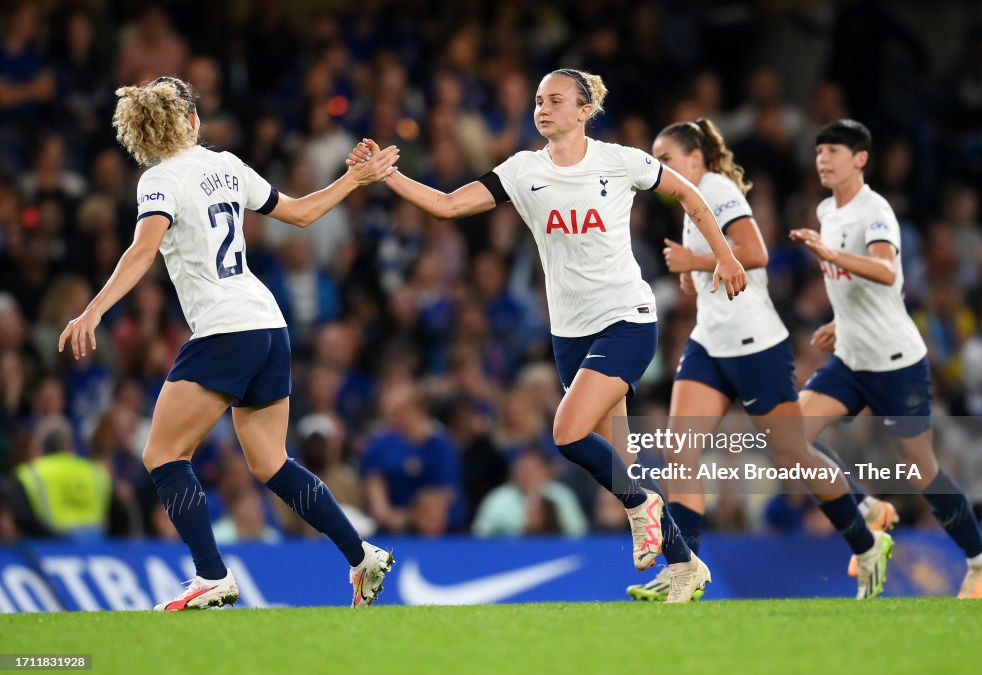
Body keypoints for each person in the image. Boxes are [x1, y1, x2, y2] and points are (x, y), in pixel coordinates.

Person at [349, 68, 748, 603]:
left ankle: (644, 508)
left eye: (556, 100)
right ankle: (684, 565)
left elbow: (690, 197)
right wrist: (387, 178)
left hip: (626, 317)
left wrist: (723, 256)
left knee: (568, 433)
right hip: (570, 333)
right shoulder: (522, 170)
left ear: (585, 111)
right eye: (538, 100)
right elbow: (446, 206)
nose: (543, 108)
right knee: (619, 461)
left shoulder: (621, 160)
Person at [58, 76, 400, 610]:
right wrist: (354, 179)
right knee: (269, 462)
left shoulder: (158, 180)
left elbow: (144, 248)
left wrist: (94, 309)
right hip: (268, 323)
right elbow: (303, 213)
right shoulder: (227, 165)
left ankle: (211, 574)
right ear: (192, 121)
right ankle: (361, 556)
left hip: (224, 328)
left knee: (164, 453)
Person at [625, 119, 894, 602]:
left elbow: (755, 252)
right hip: (711, 342)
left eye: (664, 158)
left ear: (694, 158)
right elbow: (720, 263)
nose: (657, 169)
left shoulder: (716, 189)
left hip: (754, 344)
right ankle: (685, 568)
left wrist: (694, 263)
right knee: (679, 452)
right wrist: (695, 274)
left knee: (793, 456)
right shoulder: (689, 201)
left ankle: (865, 539)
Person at [791, 118, 982, 599]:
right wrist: (840, 321)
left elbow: (887, 271)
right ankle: (868, 509)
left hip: (894, 363)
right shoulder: (828, 209)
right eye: (819, 151)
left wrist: (829, 253)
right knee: (790, 434)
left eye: (833, 151)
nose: (823, 159)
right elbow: (858, 288)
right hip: (851, 358)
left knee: (920, 469)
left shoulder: (876, 210)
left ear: (860, 159)